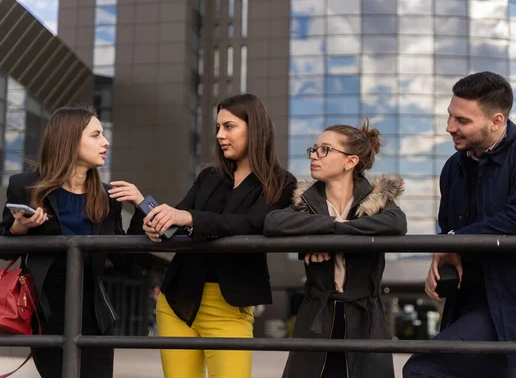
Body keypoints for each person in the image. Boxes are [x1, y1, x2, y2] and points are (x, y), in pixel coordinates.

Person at [402, 71, 516, 378]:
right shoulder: (453, 167)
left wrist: (453, 243)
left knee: (423, 368)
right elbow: (448, 228)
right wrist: (442, 253)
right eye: (450, 116)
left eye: (462, 121)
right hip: (468, 300)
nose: (449, 128)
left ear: (496, 121)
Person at [109, 93, 296, 378]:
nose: (220, 135)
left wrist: (189, 217)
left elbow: (252, 223)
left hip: (230, 305)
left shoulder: (281, 182)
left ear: (255, 128)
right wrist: (153, 220)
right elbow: (177, 221)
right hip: (177, 301)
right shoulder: (209, 176)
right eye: (218, 127)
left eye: (229, 126)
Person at [264, 120, 407, 378]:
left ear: (350, 162)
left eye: (325, 150)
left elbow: (396, 223)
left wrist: (334, 233)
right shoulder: (307, 200)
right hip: (316, 317)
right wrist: (328, 225)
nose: (314, 156)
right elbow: (273, 222)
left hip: (365, 318)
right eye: (314, 149)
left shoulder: (377, 199)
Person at [0, 107, 128, 378]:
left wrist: (142, 214)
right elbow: (5, 245)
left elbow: (124, 260)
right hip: (45, 312)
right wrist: (20, 227)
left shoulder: (108, 196)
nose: (106, 142)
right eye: (96, 135)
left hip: (94, 315)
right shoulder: (24, 185)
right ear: (69, 140)